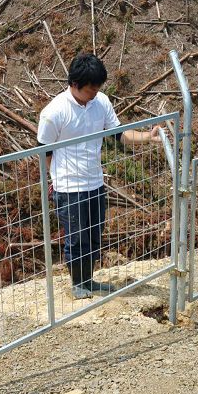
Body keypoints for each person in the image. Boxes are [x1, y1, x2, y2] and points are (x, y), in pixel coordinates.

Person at [37, 53, 162, 299]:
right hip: (69, 187)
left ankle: (89, 281)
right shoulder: (54, 112)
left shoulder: (101, 102)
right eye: (90, 89)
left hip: (95, 182)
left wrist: (148, 137)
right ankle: (78, 284)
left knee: (94, 234)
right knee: (76, 239)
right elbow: (44, 152)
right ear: (74, 84)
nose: (94, 93)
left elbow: (121, 135)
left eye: (97, 88)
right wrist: (53, 181)